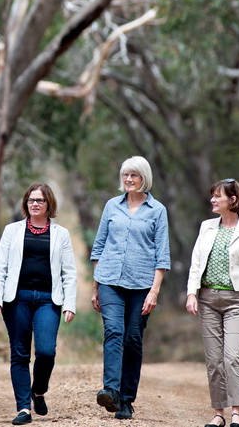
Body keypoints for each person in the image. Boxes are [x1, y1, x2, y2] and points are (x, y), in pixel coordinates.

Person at [0, 182, 78, 425]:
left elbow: (69, 273)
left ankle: (38, 391)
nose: (35, 204)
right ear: (26, 204)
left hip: (48, 300)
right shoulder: (12, 231)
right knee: (19, 354)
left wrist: (70, 304)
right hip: (16, 299)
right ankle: (23, 408)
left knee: (46, 351)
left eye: (40, 200)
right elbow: (1, 268)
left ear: (49, 204)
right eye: (31, 200)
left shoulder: (61, 234)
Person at [90, 156, 170, 420]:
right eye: (125, 175)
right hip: (109, 280)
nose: (128, 180)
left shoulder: (157, 210)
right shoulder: (112, 206)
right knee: (113, 330)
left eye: (134, 175)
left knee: (132, 339)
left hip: (141, 285)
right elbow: (99, 246)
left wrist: (154, 291)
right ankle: (110, 391)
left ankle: (126, 399)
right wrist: (95, 286)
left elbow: (162, 255)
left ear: (144, 177)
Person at [185, 178, 239, 427]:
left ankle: (236, 413)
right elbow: (196, 264)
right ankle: (218, 413)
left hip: (238, 299)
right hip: (208, 298)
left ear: (233, 200)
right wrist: (192, 293)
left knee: (232, 356)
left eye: (217, 196)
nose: (212, 200)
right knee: (214, 360)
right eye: (212, 196)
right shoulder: (207, 227)